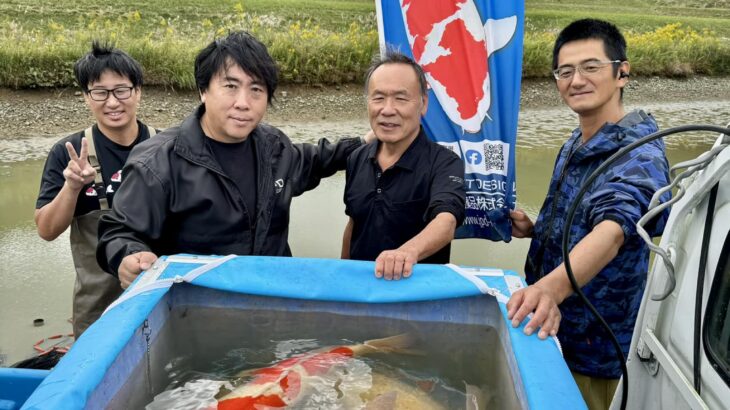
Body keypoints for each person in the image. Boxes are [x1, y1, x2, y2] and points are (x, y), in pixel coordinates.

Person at [97, 31, 370, 288]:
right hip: (196, 309)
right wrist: (128, 256)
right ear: (203, 90)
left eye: (256, 90)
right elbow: (119, 231)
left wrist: (366, 141)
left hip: (270, 299)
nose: (243, 102)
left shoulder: (274, 147)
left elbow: (319, 158)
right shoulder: (158, 162)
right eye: (230, 86)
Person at [505, 19, 671, 409]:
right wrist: (536, 230)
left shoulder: (640, 155)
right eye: (565, 71)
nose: (576, 80)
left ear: (622, 72)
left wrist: (548, 289)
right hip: (548, 327)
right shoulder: (578, 139)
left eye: (591, 67)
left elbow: (613, 230)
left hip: (592, 346)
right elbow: (581, 219)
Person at [35, 42, 156, 338]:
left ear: (137, 91)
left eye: (121, 90)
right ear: (87, 97)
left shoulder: (165, 147)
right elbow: (46, 230)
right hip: (96, 312)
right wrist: (72, 187)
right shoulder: (68, 152)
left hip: (157, 297)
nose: (112, 102)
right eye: (100, 92)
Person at [341, 51, 466, 280]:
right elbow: (353, 223)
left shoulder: (445, 163)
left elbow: (446, 221)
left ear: (423, 104)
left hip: (416, 296)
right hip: (361, 291)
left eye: (401, 98)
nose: (388, 109)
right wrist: (342, 274)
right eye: (378, 98)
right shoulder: (356, 158)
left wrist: (406, 254)